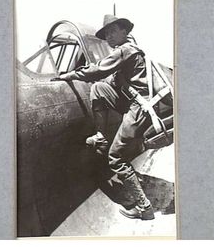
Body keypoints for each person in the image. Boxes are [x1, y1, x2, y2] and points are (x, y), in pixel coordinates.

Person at [53, 14, 154, 220]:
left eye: (112, 31)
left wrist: (68, 75)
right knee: (99, 89)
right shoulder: (129, 50)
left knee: (115, 158)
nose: (108, 36)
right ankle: (100, 135)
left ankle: (145, 209)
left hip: (139, 108)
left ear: (125, 31)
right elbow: (108, 81)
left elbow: (97, 70)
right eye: (106, 33)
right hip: (134, 102)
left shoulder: (125, 50)